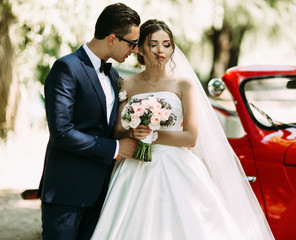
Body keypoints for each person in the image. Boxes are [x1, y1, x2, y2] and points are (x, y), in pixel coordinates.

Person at [91, 19, 275, 239]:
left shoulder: (183, 85)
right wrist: (131, 133)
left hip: (177, 166)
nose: (161, 50)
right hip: (134, 166)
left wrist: (153, 135)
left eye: (167, 44)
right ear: (140, 48)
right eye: (153, 44)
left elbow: (190, 137)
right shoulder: (125, 84)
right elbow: (117, 130)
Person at [37, 3, 141, 239]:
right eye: (132, 43)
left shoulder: (113, 74)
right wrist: (116, 148)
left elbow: (105, 127)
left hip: (102, 192)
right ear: (112, 39)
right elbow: (62, 133)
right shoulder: (66, 68)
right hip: (67, 192)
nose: (134, 50)